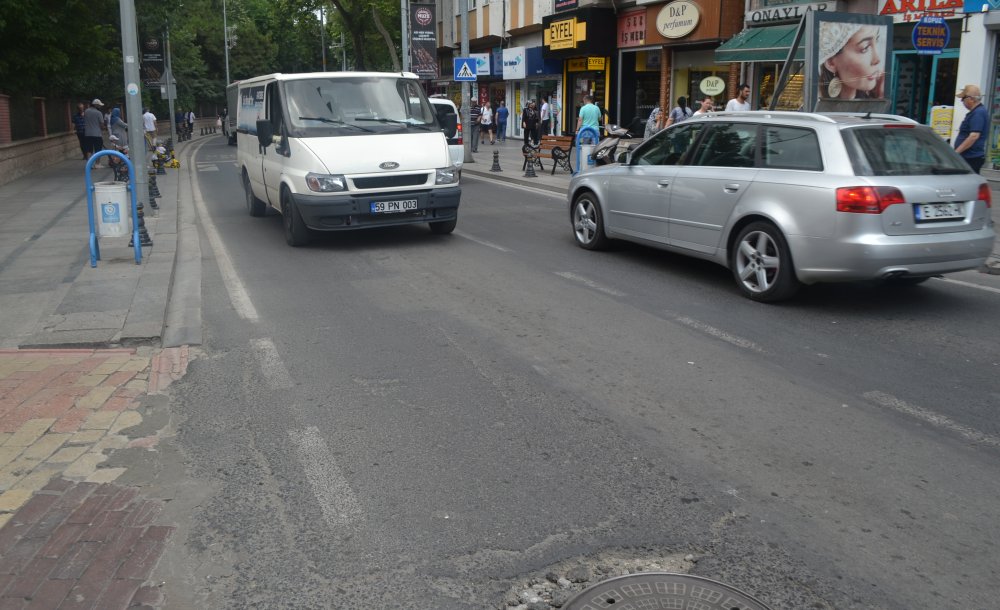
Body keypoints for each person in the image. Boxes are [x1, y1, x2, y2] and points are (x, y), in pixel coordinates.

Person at [818, 22, 885, 100]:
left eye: (876, 41)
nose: (877, 59)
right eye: (865, 48)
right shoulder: (811, 107)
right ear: (831, 62)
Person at [954, 84, 988, 173]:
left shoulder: (978, 113)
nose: (962, 101)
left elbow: (974, 136)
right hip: (969, 157)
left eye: (963, 98)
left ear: (971, 99)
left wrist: (956, 153)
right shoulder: (976, 112)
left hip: (971, 158)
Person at [83, 99, 106, 166]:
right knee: (98, 150)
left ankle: (89, 164)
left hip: (87, 134)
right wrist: (104, 128)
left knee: (89, 150)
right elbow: (102, 125)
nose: (100, 106)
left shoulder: (86, 111)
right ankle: (97, 163)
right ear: (96, 105)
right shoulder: (98, 113)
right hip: (97, 134)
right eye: (99, 105)